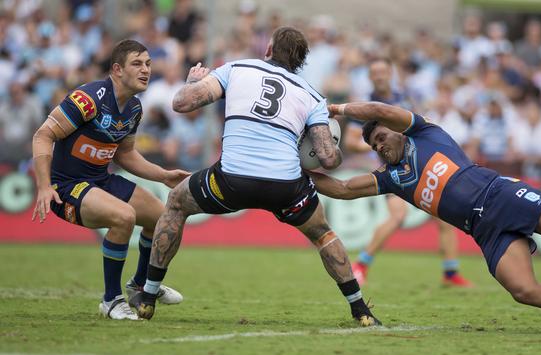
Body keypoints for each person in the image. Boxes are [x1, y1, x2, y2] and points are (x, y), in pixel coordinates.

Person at [309, 101, 541, 338]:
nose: (379, 146)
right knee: (523, 290)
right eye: (373, 145)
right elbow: (341, 188)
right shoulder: (390, 178)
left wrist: (336, 110)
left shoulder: (425, 133)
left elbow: (381, 111)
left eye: (382, 137)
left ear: (398, 132)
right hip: (484, 231)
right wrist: (296, 172)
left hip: (501, 196)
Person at [130, 27, 381, 327]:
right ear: (301, 62)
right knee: (324, 234)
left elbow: (181, 104)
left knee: (175, 203)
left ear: (268, 50)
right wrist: (333, 142)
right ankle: (359, 310)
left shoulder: (237, 68)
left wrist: (193, 82)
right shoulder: (312, 95)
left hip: (230, 181)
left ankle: (148, 296)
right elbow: (328, 159)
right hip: (286, 187)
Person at [31, 40, 188, 320]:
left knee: (163, 218)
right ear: (117, 69)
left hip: (100, 180)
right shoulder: (88, 99)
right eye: (137, 64)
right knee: (124, 216)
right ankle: (111, 300)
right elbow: (43, 135)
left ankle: (140, 286)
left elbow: (125, 154)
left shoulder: (134, 108)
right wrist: (43, 186)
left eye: (149, 64)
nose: (146, 70)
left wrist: (163, 176)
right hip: (66, 187)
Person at [344, 58, 471, 287]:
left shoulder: (405, 98)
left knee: (444, 216)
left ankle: (451, 273)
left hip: (418, 162)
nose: (380, 76)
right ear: (370, 77)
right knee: (398, 216)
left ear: (391, 73)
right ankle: (361, 264)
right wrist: (380, 146)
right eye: (375, 73)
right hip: (392, 168)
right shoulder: (365, 107)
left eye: (384, 71)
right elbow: (351, 141)